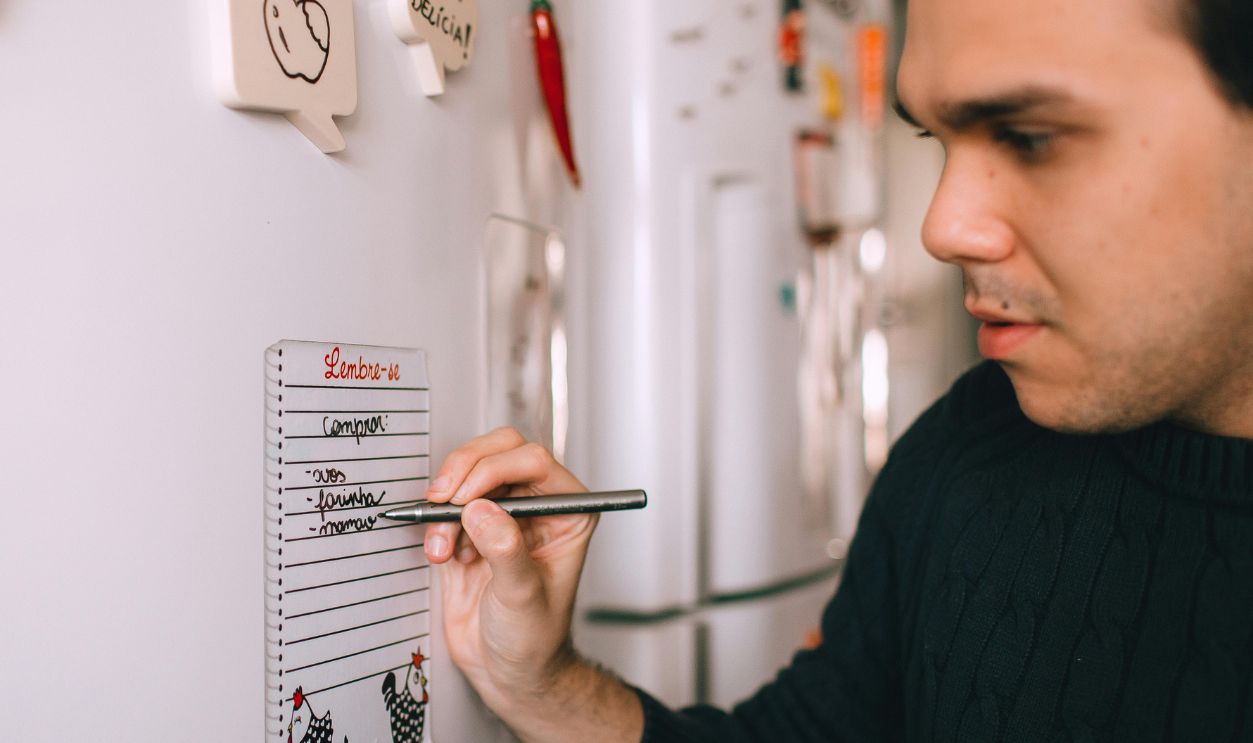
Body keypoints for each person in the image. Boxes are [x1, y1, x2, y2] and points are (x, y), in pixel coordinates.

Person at [420, 0, 1253, 739]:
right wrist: (537, 681)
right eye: (934, 138)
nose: (941, 226)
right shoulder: (974, 443)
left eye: (1029, 138)